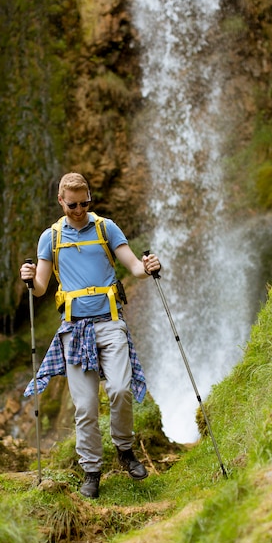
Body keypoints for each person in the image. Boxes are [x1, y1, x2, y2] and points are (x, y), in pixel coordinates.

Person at [20, 172, 161, 498]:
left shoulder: (105, 228)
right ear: (61, 201)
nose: (79, 209)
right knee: (84, 407)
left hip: (110, 322)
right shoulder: (50, 238)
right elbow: (40, 287)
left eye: (85, 203)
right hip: (74, 329)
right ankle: (91, 471)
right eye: (73, 205)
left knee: (121, 389)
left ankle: (124, 450)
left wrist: (148, 264)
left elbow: (134, 268)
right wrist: (28, 276)